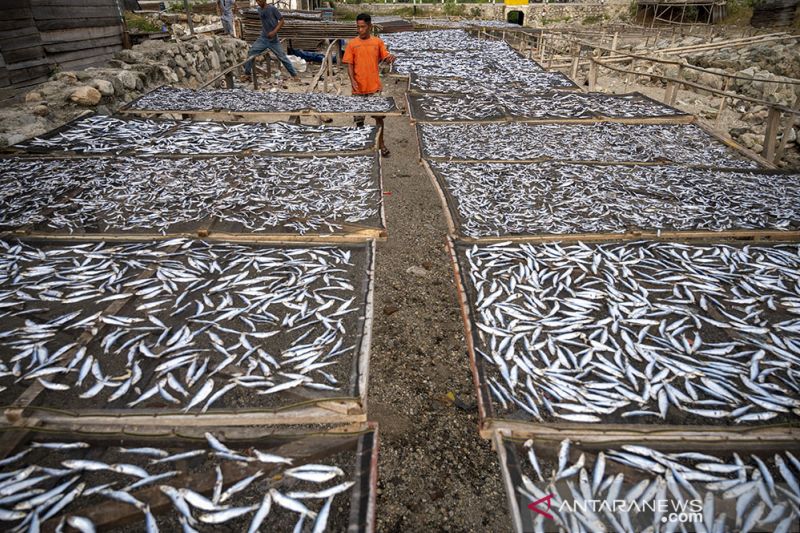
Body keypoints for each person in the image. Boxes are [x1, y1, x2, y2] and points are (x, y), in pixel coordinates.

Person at [342, 13, 395, 157]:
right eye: (358, 27)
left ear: (370, 26)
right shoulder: (352, 44)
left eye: (363, 27)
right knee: (359, 119)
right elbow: (349, 65)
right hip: (358, 88)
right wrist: (352, 81)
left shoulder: (377, 42)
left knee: (378, 118)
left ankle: (381, 144)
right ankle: (362, 143)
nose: (360, 30)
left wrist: (390, 59)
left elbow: (385, 58)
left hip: (374, 87)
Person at [241, 0, 298, 83]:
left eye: (260, 1)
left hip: (273, 40)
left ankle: (295, 75)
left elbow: (282, 21)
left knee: (282, 57)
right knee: (251, 52)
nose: (258, 3)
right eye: (257, 1)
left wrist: (274, 31)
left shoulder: (272, 9)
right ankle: (247, 74)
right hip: (263, 38)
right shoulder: (259, 10)